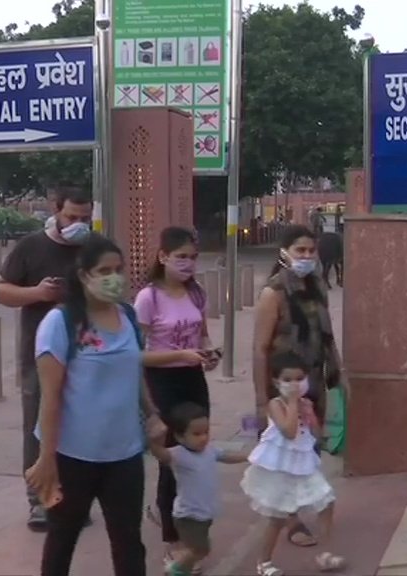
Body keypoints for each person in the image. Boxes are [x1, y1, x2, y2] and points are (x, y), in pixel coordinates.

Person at [24, 234, 163, 576]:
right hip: (74, 456)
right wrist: (46, 459)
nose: (114, 278)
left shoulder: (128, 317)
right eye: (104, 271)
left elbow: (133, 372)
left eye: (119, 269)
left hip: (125, 453)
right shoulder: (60, 323)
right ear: (84, 275)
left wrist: (152, 414)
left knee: (129, 540)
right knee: (63, 537)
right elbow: (51, 396)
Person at [0, 188, 95, 531]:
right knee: (37, 426)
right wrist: (37, 293)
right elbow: (1, 291)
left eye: (85, 218)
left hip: (86, 352)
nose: (78, 224)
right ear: (56, 211)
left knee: (80, 425)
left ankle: (75, 498)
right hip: (39, 355)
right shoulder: (31, 246)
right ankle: (39, 499)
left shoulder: (93, 248)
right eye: (72, 217)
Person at [134, 226, 220, 571]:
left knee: (197, 449)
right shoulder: (148, 298)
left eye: (193, 257)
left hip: (193, 380)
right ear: (163, 257)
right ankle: (172, 535)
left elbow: (202, 337)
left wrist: (208, 354)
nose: (187, 264)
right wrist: (179, 356)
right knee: (173, 458)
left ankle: (192, 521)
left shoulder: (197, 294)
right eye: (181, 257)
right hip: (162, 382)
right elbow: (136, 355)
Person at [252, 225, 343, 548]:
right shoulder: (273, 293)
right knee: (287, 454)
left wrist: (338, 376)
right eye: (299, 250)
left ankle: (301, 508)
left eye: (310, 251)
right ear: (284, 252)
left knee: (310, 448)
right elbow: (261, 348)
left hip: (313, 382)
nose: (305, 257)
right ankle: (289, 521)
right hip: (284, 386)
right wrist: (263, 400)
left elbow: (326, 336)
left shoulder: (317, 285)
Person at [241, 351, 345, 576]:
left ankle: (324, 554)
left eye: (299, 379)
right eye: (287, 380)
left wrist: (311, 416)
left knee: (326, 501)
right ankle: (264, 562)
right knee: (277, 516)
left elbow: (317, 435)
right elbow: (288, 431)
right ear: (276, 382)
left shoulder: (305, 404)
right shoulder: (276, 404)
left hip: (303, 464)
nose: (294, 384)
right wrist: (292, 404)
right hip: (281, 466)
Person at [147, 402, 249, 576]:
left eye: (205, 432)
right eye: (196, 434)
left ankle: (181, 570)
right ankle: (175, 568)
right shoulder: (178, 454)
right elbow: (161, 453)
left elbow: (226, 456)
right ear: (179, 436)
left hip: (205, 512)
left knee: (197, 549)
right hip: (188, 515)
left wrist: (250, 457)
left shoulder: (209, 450)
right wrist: (154, 441)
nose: (203, 438)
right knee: (201, 549)